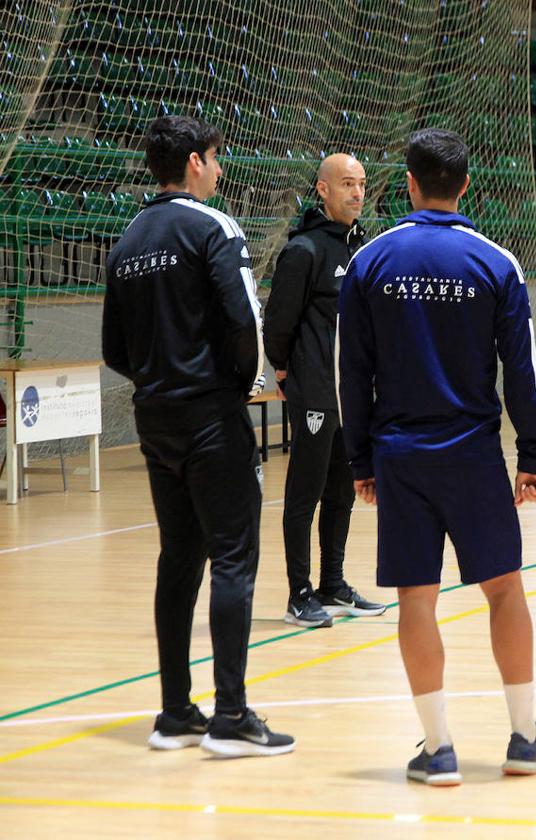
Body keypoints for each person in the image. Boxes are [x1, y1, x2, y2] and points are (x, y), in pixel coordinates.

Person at [337, 128, 536, 786]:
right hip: (472, 454)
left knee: (416, 599)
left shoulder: (369, 262)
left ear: (408, 182)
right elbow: (523, 371)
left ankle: (437, 750)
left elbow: (350, 372)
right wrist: (534, 451)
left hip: (399, 455)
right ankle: (525, 738)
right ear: (465, 185)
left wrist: (359, 461)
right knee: (504, 590)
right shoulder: (495, 263)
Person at [101, 115, 293, 757]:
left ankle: (175, 712)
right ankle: (232, 717)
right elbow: (245, 320)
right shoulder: (214, 227)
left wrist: (163, 381)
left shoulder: (126, 241)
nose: (220, 169)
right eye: (215, 159)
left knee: (178, 556)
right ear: (192, 162)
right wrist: (236, 385)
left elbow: (114, 349)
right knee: (233, 556)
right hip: (212, 415)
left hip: (155, 419)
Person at [263, 153, 386, 628]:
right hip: (313, 391)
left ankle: (332, 583)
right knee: (305, 492)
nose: (357, 193)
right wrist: (284, 369)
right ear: (323, 190)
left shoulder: (364, 247)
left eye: (361, 184)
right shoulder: (304, 251)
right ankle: (299, 593)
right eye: (347, 184)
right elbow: (278, 325)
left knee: (342, 490)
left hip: (352, 396)